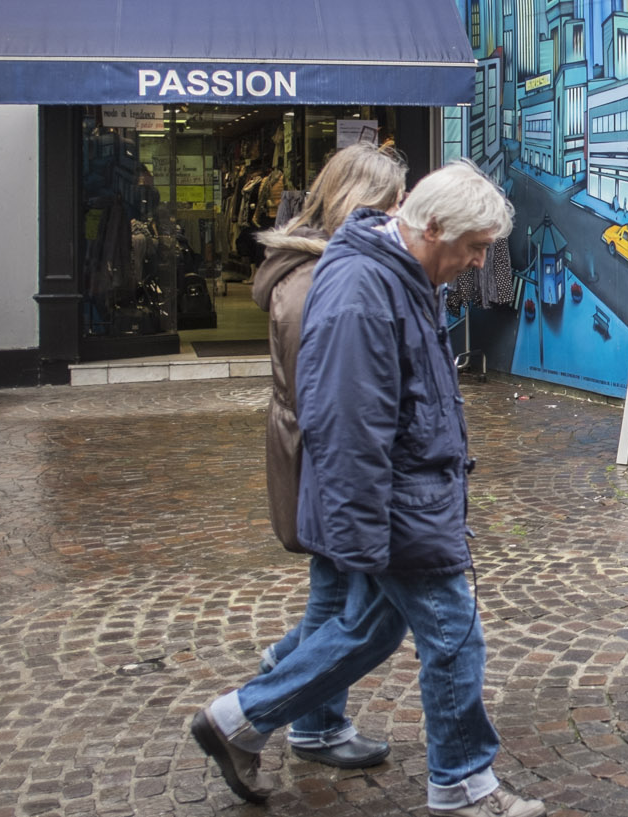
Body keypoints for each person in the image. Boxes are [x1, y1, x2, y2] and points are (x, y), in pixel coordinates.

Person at [190, 160, 544, 817]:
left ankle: (240, 718)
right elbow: (348, 422)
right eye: (472, 248)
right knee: (454, 634)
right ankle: (464, 782)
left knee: (367, 630)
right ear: (432, 227)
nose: (475, 263)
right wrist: (359, 536)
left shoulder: (400, 273)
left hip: (406, 500)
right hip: (398, 506)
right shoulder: (364, 287)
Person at [246, 142, 409, 771]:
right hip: (327, 461)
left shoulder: (311, 270)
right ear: (361, 205)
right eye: (393, 204)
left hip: (314, 455)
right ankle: (299, 699)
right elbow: (339, 395)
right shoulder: (323, 280)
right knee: (354, 600)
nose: (400, 217)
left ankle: (303, 695)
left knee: (336, 589)